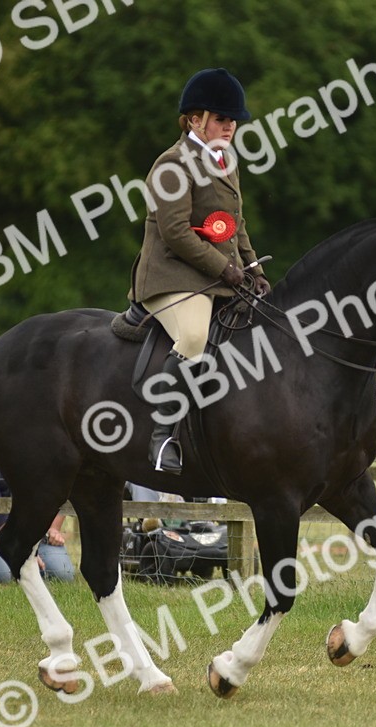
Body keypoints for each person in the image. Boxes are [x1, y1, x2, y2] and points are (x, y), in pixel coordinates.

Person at [130, 67, 270, 474]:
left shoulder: (225, 161)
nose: (230, 128)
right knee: (193, 337)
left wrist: (253, 267)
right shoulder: (172, 164)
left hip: (214, 275)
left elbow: (235, 222)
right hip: (170, 276)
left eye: (233, 122)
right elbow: (174, 233)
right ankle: (162, 437)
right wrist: (225, 267)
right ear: (195, 120)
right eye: (222, 120)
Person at [0, 455, 74, 582]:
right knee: (7, 575)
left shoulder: (38, 445)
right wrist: (25, 552)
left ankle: (32, 571)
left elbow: (62, 487)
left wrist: (53, 528)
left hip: (36, 529)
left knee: (64, 574)